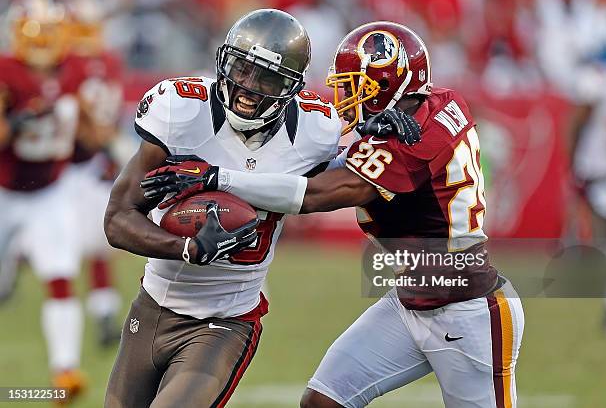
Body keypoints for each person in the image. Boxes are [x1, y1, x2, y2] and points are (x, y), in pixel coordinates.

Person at [143, 21, 525, 407]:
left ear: (384, 91)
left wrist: (217, 177)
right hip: (410, 300)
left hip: (468, 311)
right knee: (323, 402)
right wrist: (369, 133)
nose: (343, 96)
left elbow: (312, 195)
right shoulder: (437, 102)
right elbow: (344, 164)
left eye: (356, 86)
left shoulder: (412, 144)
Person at [104, 9, 415, 407]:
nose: (247, 86)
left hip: (226, 320)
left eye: (266, 77)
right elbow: (117, 219)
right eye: (240, 69)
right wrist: (185, 248)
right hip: (151, 306)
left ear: (291, 87)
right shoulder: (182, 111)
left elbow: (346, 182)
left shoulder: (315, 132)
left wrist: (383, 128)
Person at [0, 0, 85, 401]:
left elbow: (88, 129)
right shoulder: (5, 71)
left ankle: (64, 372)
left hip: (50, 189)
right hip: (3, 191)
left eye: (48, 33)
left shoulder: (74, 71)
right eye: (33, 34)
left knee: (60, 274)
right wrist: (15, 121)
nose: (41, 43)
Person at [60, 0, 125, 346]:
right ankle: (102, 313)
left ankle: (96, 315)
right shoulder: (108, 60)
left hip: (65, 167)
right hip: (93, 164)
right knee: (95, 246)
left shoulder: (68, 63)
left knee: (70, 248)